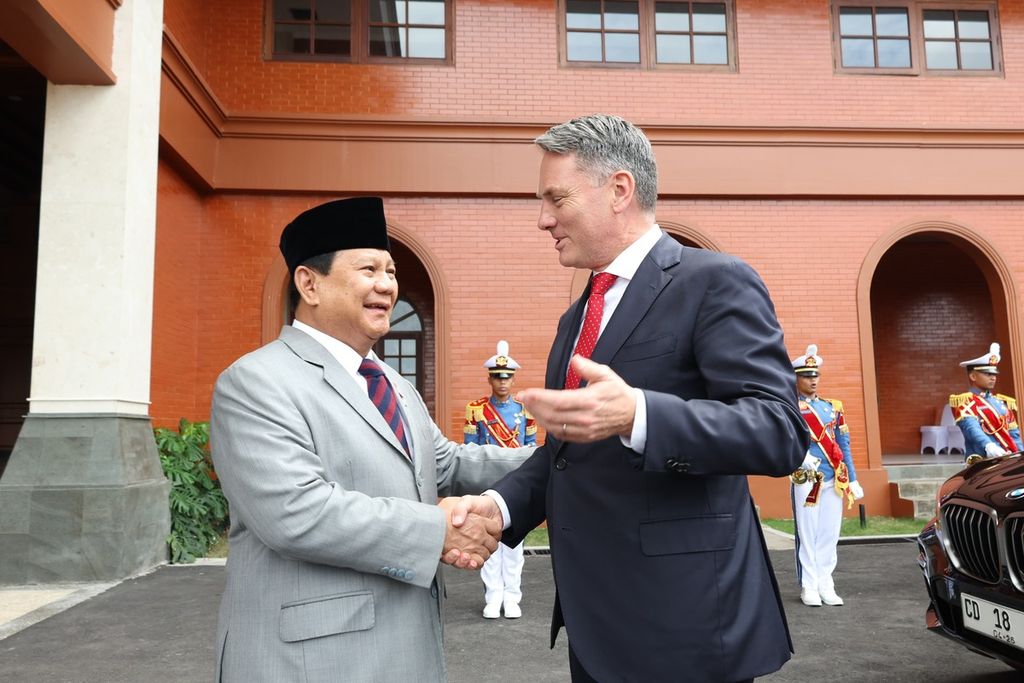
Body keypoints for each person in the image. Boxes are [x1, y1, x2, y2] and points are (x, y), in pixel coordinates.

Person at [451, 115, 808, 682]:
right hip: (595, 628)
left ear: (619, 190)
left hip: (684, 626)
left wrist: (638, 413)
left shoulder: (714, 281)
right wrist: (498, 508)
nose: (543, 220)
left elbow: (778, 430)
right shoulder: (577, 317)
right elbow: (565, 455)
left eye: (556, 198)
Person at [209, 197, 533, 682]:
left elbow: (444, 464)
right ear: (309, 283)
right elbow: (297, 513)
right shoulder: (256, 382)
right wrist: (437, 529)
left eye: (392, 271)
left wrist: (565, 456)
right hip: (310, 662)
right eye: (368, 269)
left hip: (407, 649)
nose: (387, 285)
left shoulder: (391, 381)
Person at [463, 340, 537, 619]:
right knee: (490, 543)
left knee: (514, 544)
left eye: (507, 377)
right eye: (497, 377)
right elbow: (470, 451)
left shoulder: (524, 410)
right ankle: (493, 595)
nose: (503, 383)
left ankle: (512, 596)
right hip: (489, 484)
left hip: (515, 483)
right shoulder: (477, 410)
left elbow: (531, 448)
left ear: (513, 379)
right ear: (490, 379)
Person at [789, 344, 865, 608]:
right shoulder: (790, 406)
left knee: (829, 533)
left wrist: (852, 478)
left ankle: (825, 582)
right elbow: (784, 439)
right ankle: (809, 585)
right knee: (808, 534)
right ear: (795, 378)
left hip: (834, 478)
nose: (812, 380)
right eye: (806, 375)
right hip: (808, 478)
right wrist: (799, 457)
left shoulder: (832, 407)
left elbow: (843, 445)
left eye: (815, 375)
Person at [950, 342, 1023, 460]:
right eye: (987, 374)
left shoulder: (1001, 402)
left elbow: (1014, 434)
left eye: (994, 374)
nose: (993, 377)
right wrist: (989, 445)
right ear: (973, 376)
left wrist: (1021, 455)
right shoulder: (965, 402)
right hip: (984, 459)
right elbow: (971, 428)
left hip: (1010, 458)